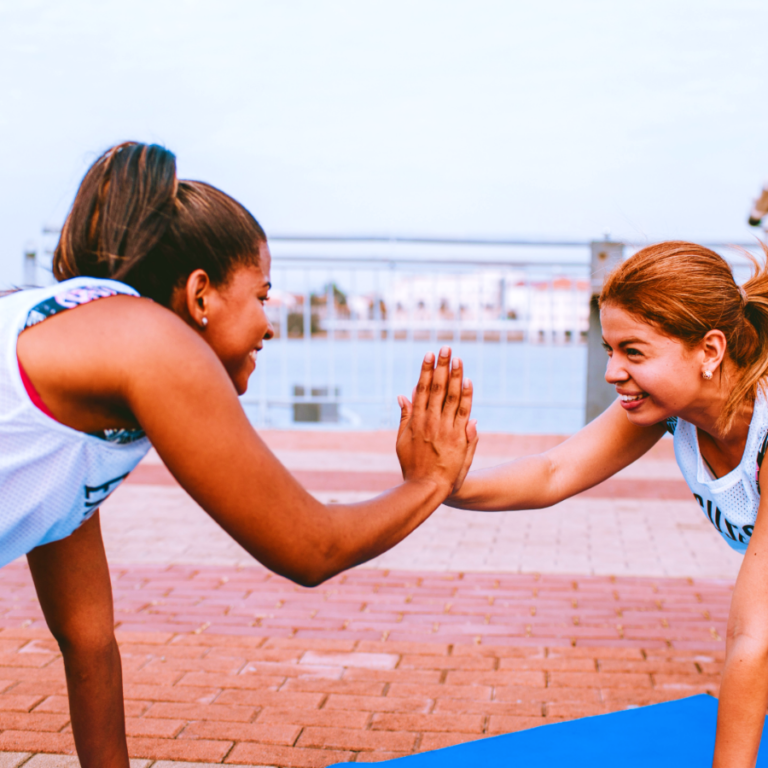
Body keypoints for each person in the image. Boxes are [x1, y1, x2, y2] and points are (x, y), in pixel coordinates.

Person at [2, 141, 478, 767]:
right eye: (262, 294)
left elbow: (89, 639)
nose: (270, 323)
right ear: (200, 295)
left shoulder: (84, 360)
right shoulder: (149, 342)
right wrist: (430, 481)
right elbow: (311, 548)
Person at [446, 241, 768, 768]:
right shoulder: (672, 408)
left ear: (709, 351)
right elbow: (554, 472)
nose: (612, 372)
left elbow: (753, 637)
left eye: (633, 352)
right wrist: (443, 482)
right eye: (610, 350)